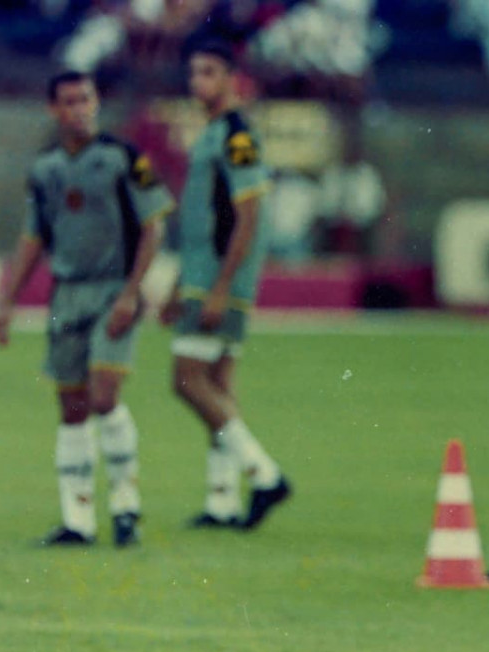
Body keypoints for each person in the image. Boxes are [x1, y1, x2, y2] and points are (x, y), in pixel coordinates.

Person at [0, 70, 174, 548]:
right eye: (69, 101)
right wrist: (7, 302)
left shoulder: (124, 157)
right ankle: (78, 521)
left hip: (114, 290)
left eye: (87, 99)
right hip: (66, 295)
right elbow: (34, 237)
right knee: (71, 406)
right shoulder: (45, 168)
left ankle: (127, 510)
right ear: (54, 109)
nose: (80, 109)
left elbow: (154, 225)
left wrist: (134, 291)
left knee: (105, 395)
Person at [160, 40, 291, 530]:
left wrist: (218, 287)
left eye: (210, 73)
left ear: (232, 78)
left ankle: (265, 474)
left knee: (187, 380)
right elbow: (199, 222)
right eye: (194, 73)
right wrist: (178, 283)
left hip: (219, 281)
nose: (199, 83)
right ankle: (222, 501)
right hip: (200, 277)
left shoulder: (238, 134)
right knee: (215, 385)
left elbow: (249, 215)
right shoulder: (213, 132)